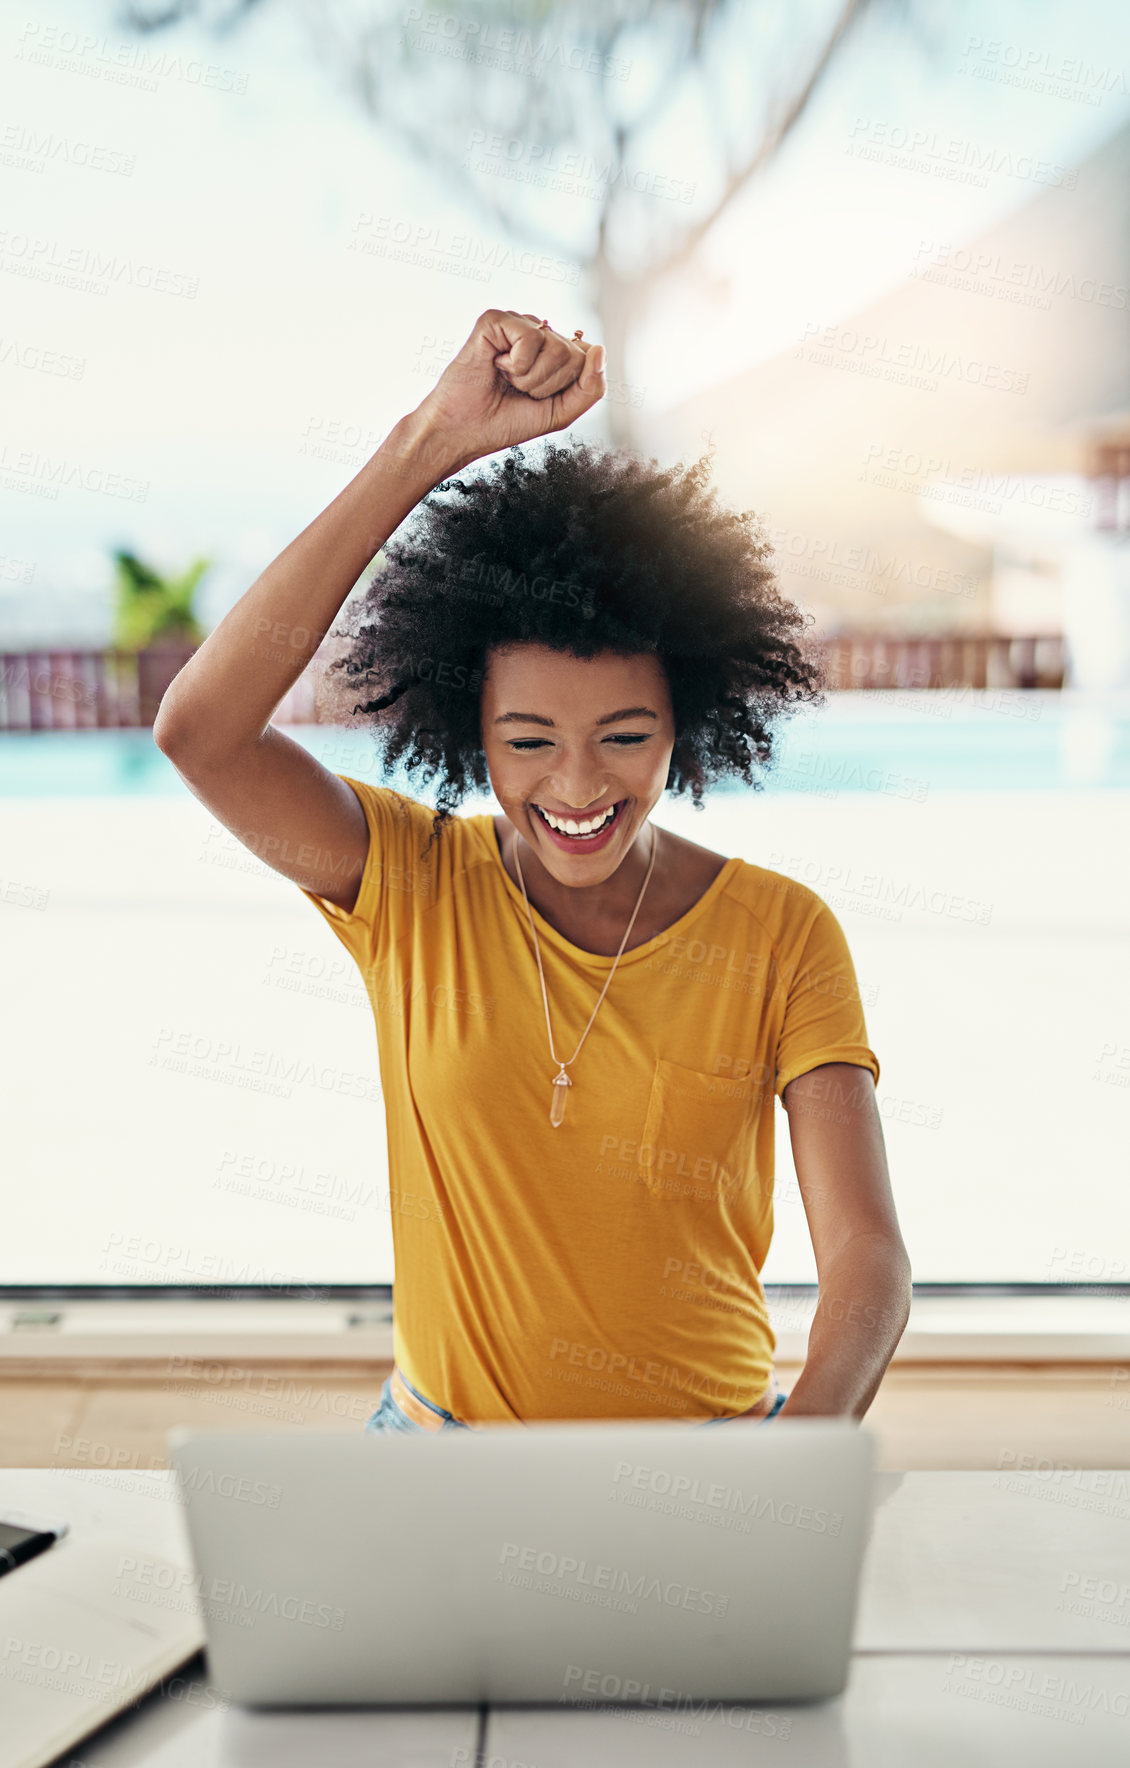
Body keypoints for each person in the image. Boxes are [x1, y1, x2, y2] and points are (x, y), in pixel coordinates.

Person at [154, 307, 911, 1435]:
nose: (573, 786)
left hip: (709, 1461)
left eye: (623, 734)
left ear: (683, 719)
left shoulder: (779, 933)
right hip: (436, 1457)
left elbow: (867, 1257)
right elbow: (200, 730)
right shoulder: (407, 880)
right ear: (468, 725)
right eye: (525, 742)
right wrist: (430, 442)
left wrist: (793, 1458)